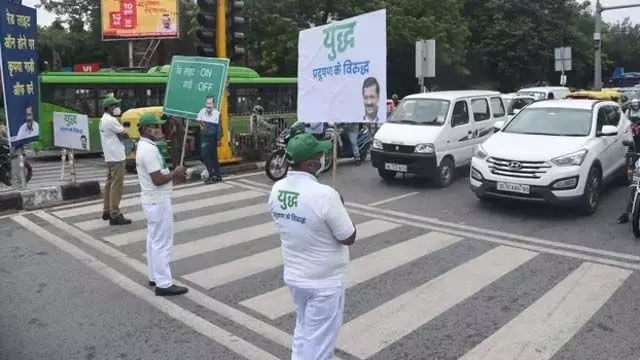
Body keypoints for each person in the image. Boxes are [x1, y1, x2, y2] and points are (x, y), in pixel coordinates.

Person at [268, 133, 357, 359]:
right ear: (309, 163)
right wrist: (339, 205)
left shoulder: (277, 189)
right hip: (323, 284)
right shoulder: (325, 195)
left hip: (296, 276)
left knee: (303, 329)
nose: (324, 157)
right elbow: (348, 236)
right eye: (320, 154)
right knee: (320, 345)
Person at [136, 113, 188, 296]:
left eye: (159, 126)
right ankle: (164, 283)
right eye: (155, 127)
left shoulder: (147, 147)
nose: (159, 130)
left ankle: (154, 276)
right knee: (162, 243)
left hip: (152, 200)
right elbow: (158, 179)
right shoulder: (148, 150)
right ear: (145, 129)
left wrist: (174, 175)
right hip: (157, 201)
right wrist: (176, 172)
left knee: (153, 240)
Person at [100, 96, 132, 225]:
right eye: (114, 105)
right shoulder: (111, 120)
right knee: (116, 186)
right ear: (108, 107)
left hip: (109, 156)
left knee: (109, 184)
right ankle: (115, 214)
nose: (116, 107)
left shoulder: (103, 119)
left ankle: (107, 210)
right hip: (116, 156)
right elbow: (124, 135)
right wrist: (126, 131)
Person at [196, 96, 222, 184]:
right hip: (204, 136)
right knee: (206, 156)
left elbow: (219, 127)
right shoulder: (202, 112)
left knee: (209, 156)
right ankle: (216, 174)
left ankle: (213, 175)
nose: (208, 105)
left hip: (212, 137)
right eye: (207, 103)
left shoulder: (216, 114)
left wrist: (218, 139)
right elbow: (199, 121)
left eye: (210, 103)